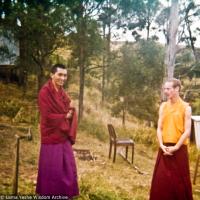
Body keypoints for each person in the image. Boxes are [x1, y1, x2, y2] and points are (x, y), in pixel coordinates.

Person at [36, 63, 79, 198]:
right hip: (50, 135)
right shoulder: (44, 92)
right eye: (60, 74)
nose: (63, 78)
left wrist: (71, 110)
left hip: (62, 134)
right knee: (52, 169)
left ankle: (65, 194)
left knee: (68, 167)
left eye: (65, 75)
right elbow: (47, 115)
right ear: (52, 75)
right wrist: (64, 116)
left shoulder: (61, 92)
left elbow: (69, 105)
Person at [149, 78, 193, 200]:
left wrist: (176, 147)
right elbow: (159, 128)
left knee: (178, 184)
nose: (165, 91)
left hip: (179, 149)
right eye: (165, 89)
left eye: (168, 89)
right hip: (164, 149)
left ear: (177, 89)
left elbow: (187, 131)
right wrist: (162, 145)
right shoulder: (163, 106)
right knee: (161, 182)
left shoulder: (186, 108)